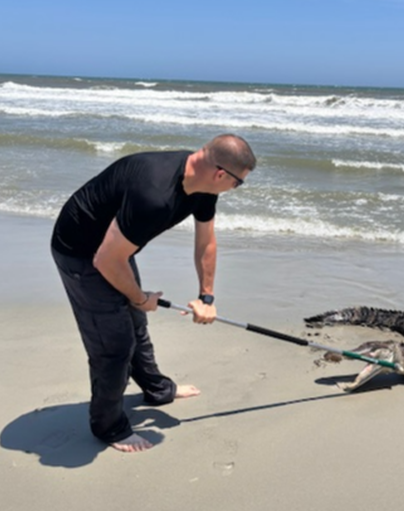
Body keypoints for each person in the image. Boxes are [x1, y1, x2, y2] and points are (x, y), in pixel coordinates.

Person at [50, 133, 256, 452]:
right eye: (238, 184)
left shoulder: (202, 185)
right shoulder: (155, 194)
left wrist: (207, 297)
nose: (235, 189)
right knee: (114, 345)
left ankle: (157, 389)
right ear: (220, 174)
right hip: (79, 251)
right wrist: (139, 297)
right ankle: (108, 427)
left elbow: (206, 242)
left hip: (113, 246)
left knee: (136, 325)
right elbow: (105, 260)